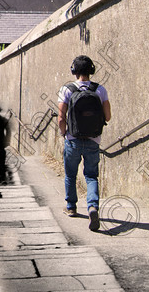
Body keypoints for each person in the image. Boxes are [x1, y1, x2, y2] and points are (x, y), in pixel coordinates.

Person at [58, 55, 112, 231]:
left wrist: (64, 133)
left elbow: (61, 117)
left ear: (74, 71)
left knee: (70, 175)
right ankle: (92, 207)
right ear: (92, 70)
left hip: (72, 140)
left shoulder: (67, 90)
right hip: (93, 140)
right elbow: (108, 116)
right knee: (91, 176)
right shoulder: (100, 90)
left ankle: (71, 207)